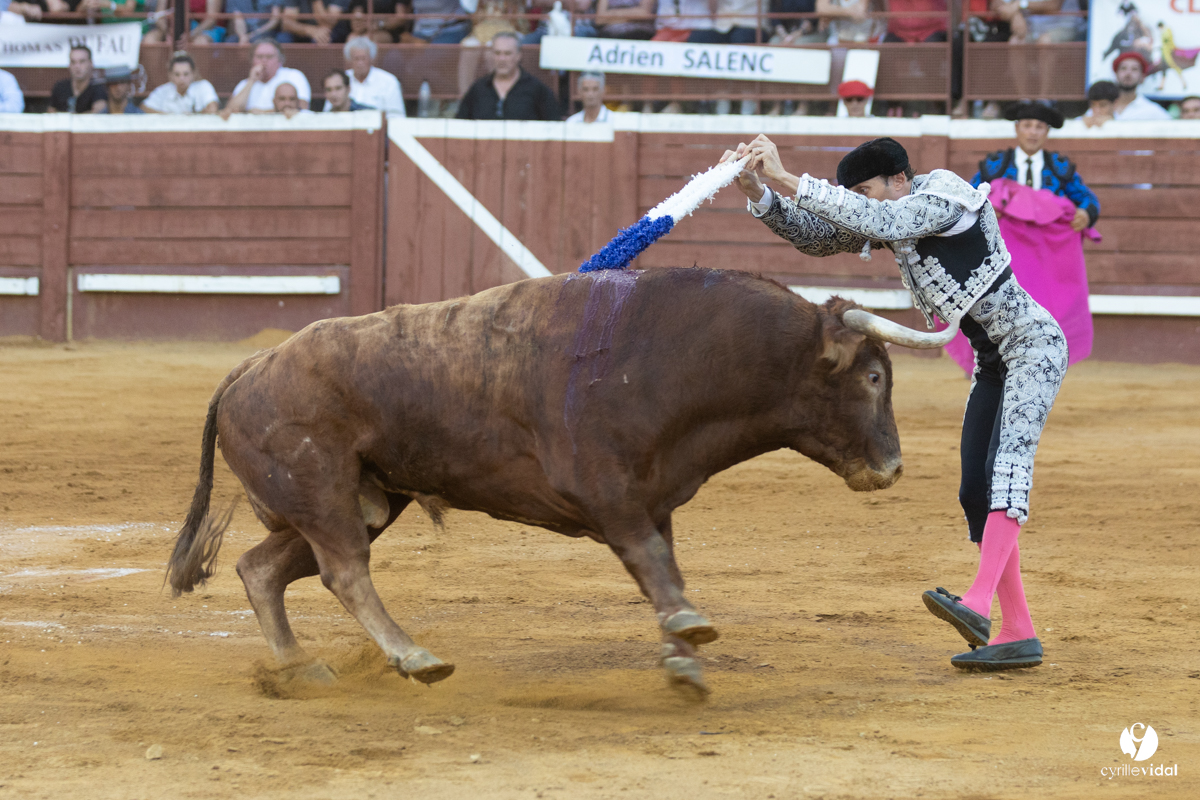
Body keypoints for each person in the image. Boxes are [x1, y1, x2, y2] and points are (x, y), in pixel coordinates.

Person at [723, 133, 1066, 672]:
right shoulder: (895, 210)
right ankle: (1018, 629)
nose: (862, 200)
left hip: (1034, 348)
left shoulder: (942, 197)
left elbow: (882, 223)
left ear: (900, 179)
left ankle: (977, 604)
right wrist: (761, 193)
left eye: (865, 189)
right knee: (975, 489)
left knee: (1006, 467)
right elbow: (819, 238)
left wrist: (789, 178)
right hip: (993, 362)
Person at [959, 102, 1096, 368]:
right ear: (1017, 129)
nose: (1033, 132)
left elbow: (1088, 200)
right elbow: (970, 198)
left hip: (1047, 258)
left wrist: (1086, 214)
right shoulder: (993, 167)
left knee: (1045, 306)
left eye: (1039, 127)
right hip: (1005, 254)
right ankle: (994, 360)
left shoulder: (1061, 168)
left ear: (1047, 132)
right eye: (1028, 126)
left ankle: (1043, 359)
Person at [456, 31, 559, 120]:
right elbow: (459, 125)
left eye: (507, 53)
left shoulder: (537, 90)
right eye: (497, 53)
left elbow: (554, 127)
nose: (502, 59)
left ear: (518, 56)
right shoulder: (478, 89)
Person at [222, 40, 312, 117]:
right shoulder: (244, 83)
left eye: (269, 57)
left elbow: (302, 108)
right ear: (252, 60)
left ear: (280, 60)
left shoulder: (293, 76)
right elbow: (230, 112)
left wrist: (259, 113)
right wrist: (251, 81)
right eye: (259, 57)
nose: (264, 61)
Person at [344, 36, 405, 115]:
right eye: (356, 59)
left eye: (363, 58)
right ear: (349, 60)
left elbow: (397, 115)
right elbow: (328, 112)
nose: (360, 63)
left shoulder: (389, 81)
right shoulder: (340, 80)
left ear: (371, 59)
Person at [143, 51, 220, 114]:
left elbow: (212, 109)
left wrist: (193, 116)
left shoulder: (203, 86)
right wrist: (167, 117)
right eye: (177, 74)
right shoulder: (163, 90)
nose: (181, 78)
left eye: (186, 74)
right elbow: (144, 107)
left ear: (193, 74)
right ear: (170, 75)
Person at [1110, 50, 1171, 121]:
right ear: (1115, 75)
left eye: (1134, 69)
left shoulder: (1153, 112)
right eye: (1123, 68)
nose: (1128, 73)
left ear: (1142, 77)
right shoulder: (1099, 108)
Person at [48, 45, 107, 114]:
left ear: (90, 63)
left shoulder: (98, 87)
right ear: (69, 65)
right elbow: (51, 113)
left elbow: (99, 112)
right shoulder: (60, 87)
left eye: (82, 62)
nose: (77, 66)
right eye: (73, 62)